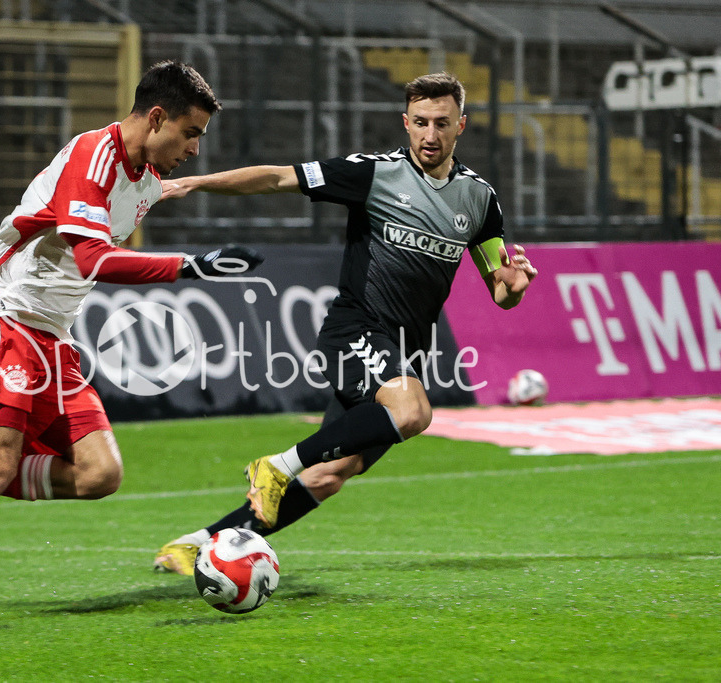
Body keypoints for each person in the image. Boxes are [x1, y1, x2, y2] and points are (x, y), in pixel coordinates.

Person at [0, 60, 262, 626]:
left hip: (54, 336)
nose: (195, 148)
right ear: (155, 117)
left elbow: (164, 191)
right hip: (6, 318)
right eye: (190, 133)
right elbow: (93, 259)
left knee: (100, 474)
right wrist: (192, 266)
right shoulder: (89, 159)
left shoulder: (144, 177)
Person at [152, 72, 538, 575]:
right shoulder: (375, 174)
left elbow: (501, 291)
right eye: (420, 122)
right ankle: (275, 465)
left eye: (442, 123)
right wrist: (196, 181)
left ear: (461, 125)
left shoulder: (479, 199)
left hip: (404, 352)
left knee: (328, 475)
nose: (430, 135)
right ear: (405, 122)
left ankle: (200, 543)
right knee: (413, 412)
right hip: (356, 330)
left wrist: (514, 283)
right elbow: (278, 177)